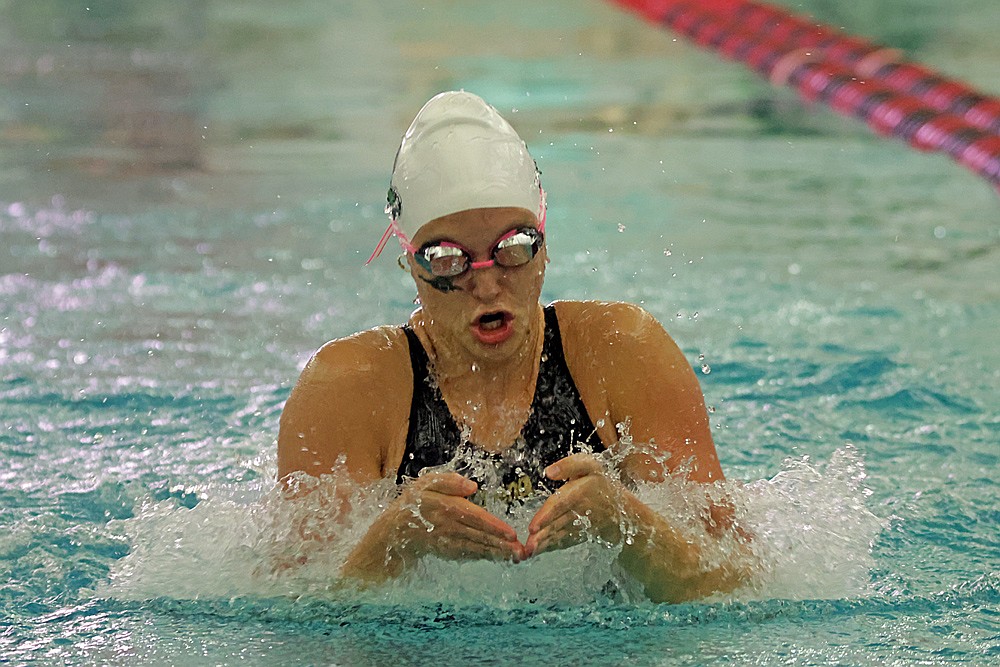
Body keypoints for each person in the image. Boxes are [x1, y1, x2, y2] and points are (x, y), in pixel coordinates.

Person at [277, 91, 750, 603]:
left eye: (513, 248)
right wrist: (395, 541)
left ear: (544, 248)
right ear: (412, 266)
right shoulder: (350, 387)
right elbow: (298, 615)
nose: (487, 285)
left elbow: (738, 584)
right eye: (448, 259)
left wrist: (627, 523)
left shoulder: (621, 351)